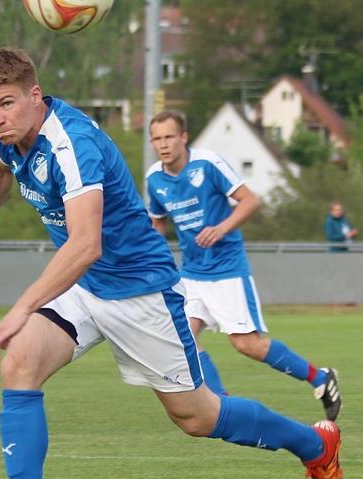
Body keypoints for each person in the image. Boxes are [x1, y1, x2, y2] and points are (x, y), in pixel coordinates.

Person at [0, 48, 342, 479]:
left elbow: (85, 244)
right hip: (86, 287)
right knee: (19, 366)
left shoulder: (73, 146)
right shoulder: (13, 138)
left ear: (34, 94)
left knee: (199, 417)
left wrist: (21, 307)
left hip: (140, 290)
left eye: (6, 104)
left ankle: (315, 446)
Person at [145, 111, 341, 421]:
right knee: (183, 337)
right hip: (192, 274)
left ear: (184, 137)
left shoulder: (208, 164)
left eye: (169, 137)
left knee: (247, 345)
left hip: (226, 270)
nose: (163, 144)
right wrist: (153, 262)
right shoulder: (155, 178)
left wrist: (221, 229)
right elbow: (158, 223)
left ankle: (320, 377)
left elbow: (250, 201)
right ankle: (222, 403)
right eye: (156, 139)